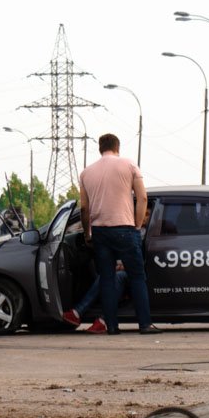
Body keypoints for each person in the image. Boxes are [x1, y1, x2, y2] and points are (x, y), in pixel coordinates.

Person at [78, 133, 157, 335]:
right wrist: (137, 224)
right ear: (117, 147)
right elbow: (143, 197)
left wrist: (88, 233)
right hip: (125, 228)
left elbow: (84, 208)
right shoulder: (129, 165)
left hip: (100, 231)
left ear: (99, 148)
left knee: (106, 279)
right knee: (137, 277)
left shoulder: (86, 173)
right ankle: (145, 324)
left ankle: (112, 326)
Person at [62, 262, 128, 333]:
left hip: (134, 271)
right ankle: (77, 313)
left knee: (117, 276)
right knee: (105, 275)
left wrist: (126, 266)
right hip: (118, 267)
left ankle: (103, 320)